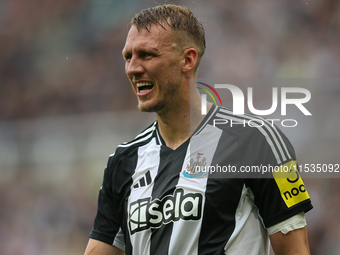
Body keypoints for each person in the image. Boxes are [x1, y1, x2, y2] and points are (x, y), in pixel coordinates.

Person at [84, 4, 313, 255]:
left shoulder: (257, 140)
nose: (132, 69)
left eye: (147, 55)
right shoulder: (122, 162)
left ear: (188, 60)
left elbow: (295, 250)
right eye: (128, 57)